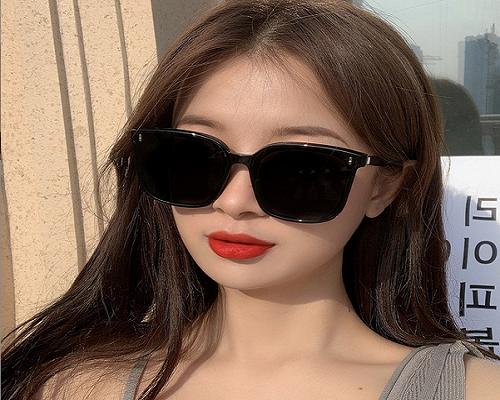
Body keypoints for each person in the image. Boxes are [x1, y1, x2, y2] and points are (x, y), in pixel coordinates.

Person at [2, 1, 500, 399]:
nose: (234, 200)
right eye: (195, 157)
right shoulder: (73, 386)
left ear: (388, 187)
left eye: (301, 167)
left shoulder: (474, 390)